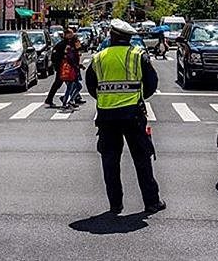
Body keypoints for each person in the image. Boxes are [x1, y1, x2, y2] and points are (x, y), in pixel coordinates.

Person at [86, 18, 165, 216]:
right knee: (142, 160)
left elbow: (90, 85)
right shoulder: (138, 55)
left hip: (106, 117)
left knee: (110, 162)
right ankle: (152, 202)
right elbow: (151, 83)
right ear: (129, 38)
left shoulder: (98, 58)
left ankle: (115, 205)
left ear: (111, 36)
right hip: (133, 115)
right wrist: (137, 97)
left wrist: (106, 98)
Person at [44, 28, 74, 108]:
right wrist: (59, 64)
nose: (72, 35)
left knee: (68, 83)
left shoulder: (67, 43)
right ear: (66, 34)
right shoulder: (62, 44)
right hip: (62, 68)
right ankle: (51, 99)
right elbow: (55, 56)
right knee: (61, 84)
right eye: (70, 33)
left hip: (64, 67)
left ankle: (72, 98)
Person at [60, 35, 81, 111]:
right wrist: (77, 66)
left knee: (73, 87)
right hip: (71, 72)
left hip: (72, 71)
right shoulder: (72, 50)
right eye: (78, 41)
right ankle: (67, 102)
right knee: (74, 87)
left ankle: (68, 101)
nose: (79, 43)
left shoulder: (73, 50)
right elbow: (71, 60)